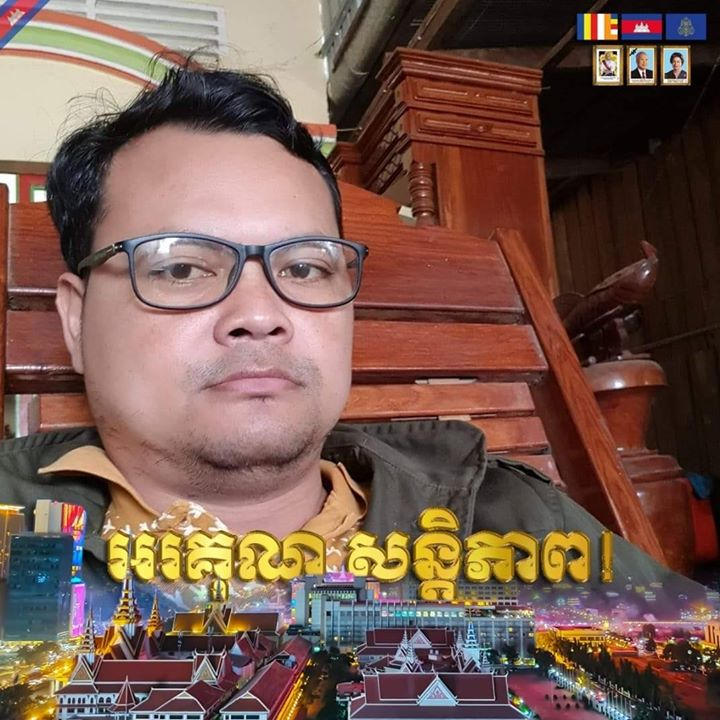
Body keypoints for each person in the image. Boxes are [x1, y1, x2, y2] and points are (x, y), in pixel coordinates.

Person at [0, 64, 709, 612]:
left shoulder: (509, 516)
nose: (261, 313)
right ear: (76, 320)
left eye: (304, 267)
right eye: (181, 267)